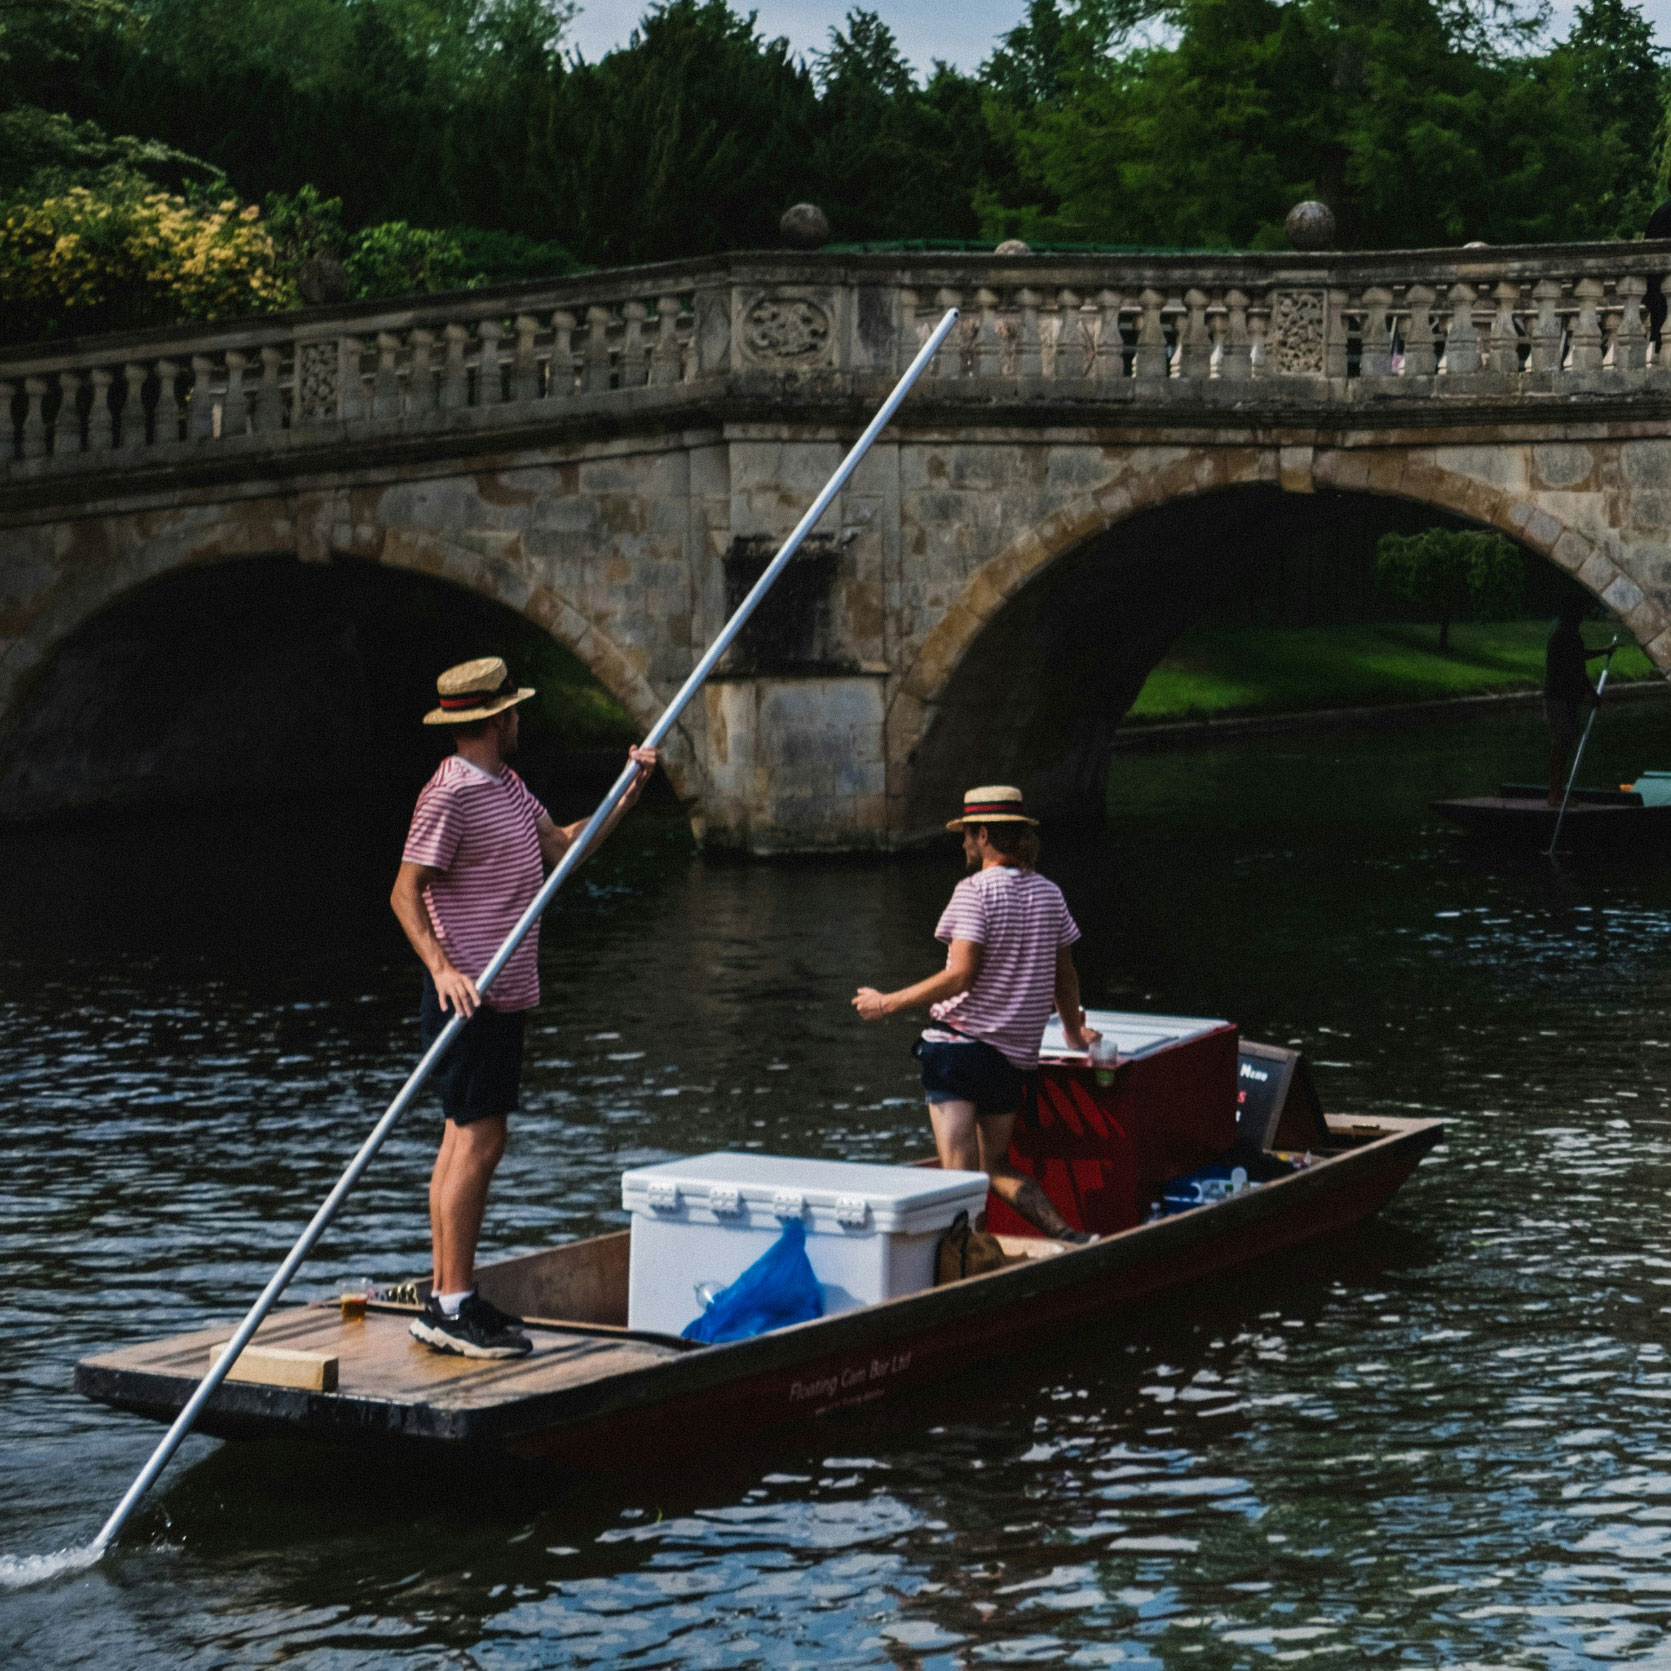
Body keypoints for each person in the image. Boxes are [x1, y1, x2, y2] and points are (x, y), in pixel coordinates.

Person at [391, 656, 656, 1358]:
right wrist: (442, 969)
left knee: (465, 1139)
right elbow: (404, 891)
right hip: (468, 994)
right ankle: (452, 1304)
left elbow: (563, 847)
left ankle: (447, 1297)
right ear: (496, 719)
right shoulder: (449, 794)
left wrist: (626, 793)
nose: (520, 721)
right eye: (514, 711)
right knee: (477, 1141)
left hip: (502, 990)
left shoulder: (505, 785)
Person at [852, 784, 1099, 1243]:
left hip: (958, 1053)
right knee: (997, 1167)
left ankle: (972, 1265)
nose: (964, 843)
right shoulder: (1050, 894)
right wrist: (1074, 1033)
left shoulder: (973, 892)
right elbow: (1064, 978)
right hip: (1010, 1062)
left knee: (960, 1185)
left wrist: (887, 1003)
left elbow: (960, 976)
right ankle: (1070, 1236)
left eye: (966, 834)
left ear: (983, 835)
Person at [1545, 597, 1610, 806]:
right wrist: (1593, 694)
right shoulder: (1566, 635)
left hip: (1566, 697)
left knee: (1564, 743)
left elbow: (1579, 656)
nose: (1582, 617)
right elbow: (1576, 668)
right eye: (1579, 613)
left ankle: (1558, 792)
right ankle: (1555, 794)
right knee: (1560, 744)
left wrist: (1605, 651)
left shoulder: (1566, 633)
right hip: (1560, 697)